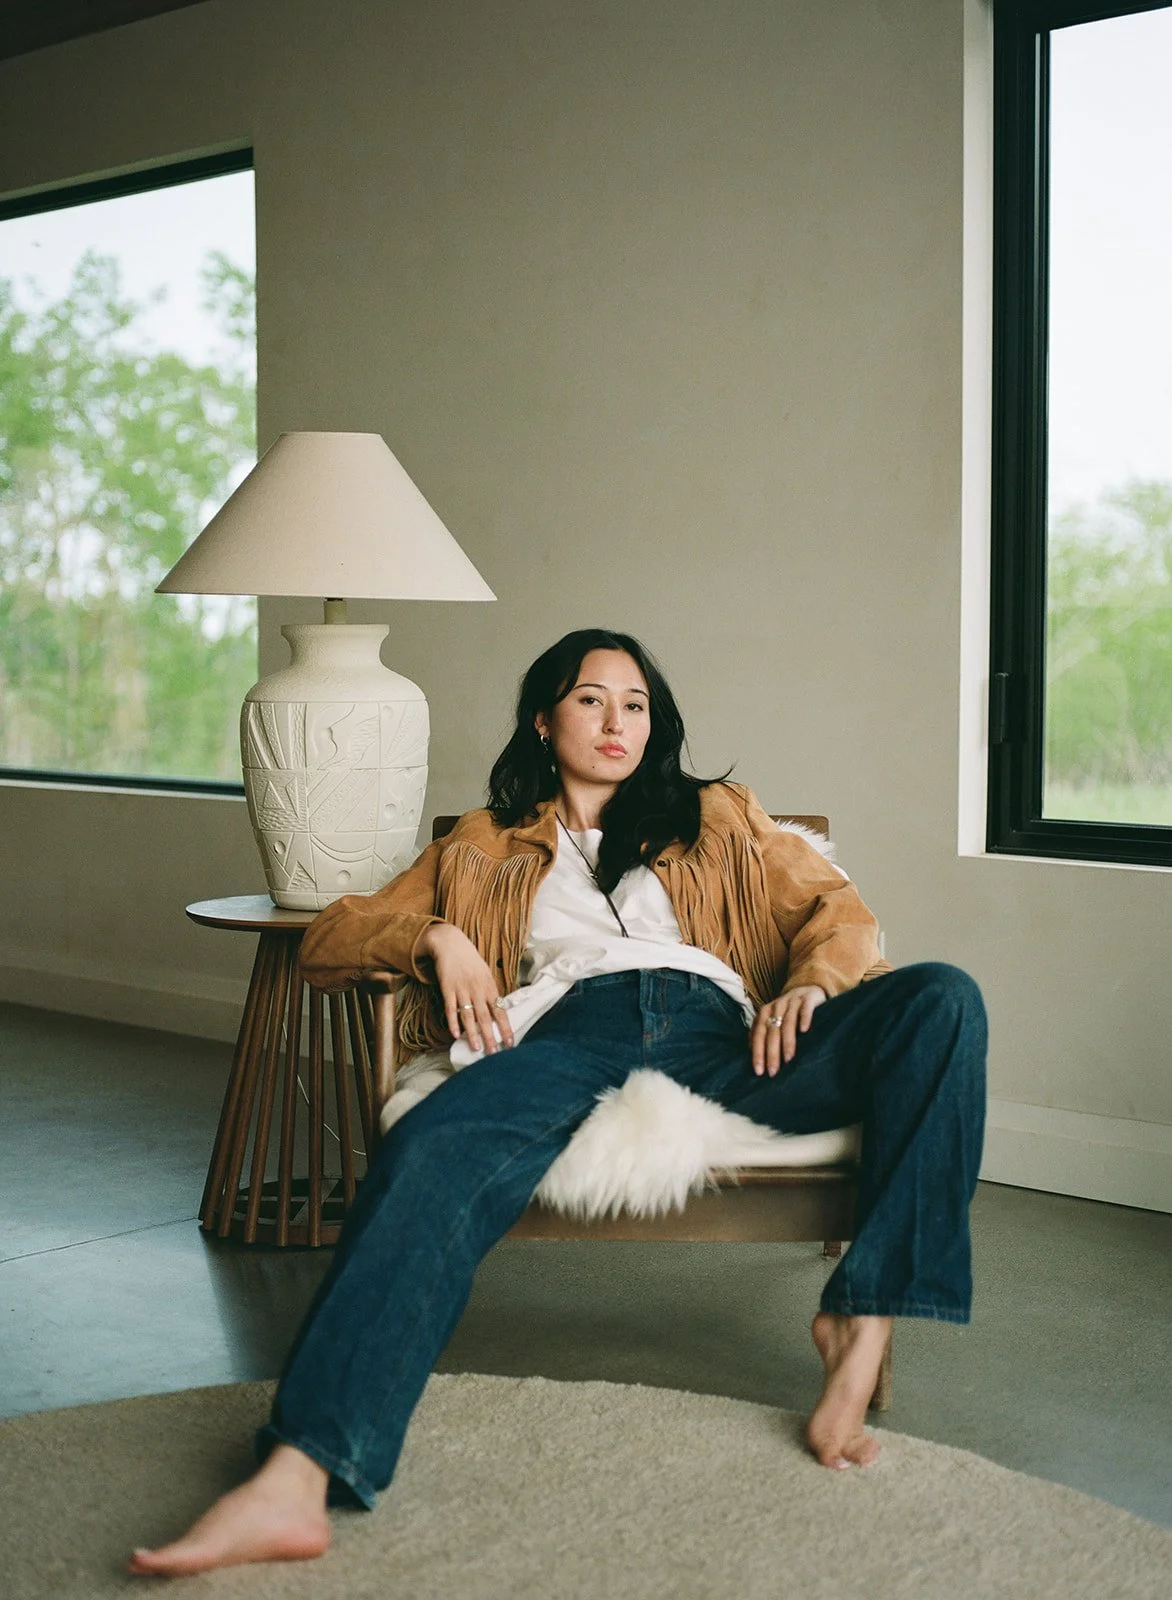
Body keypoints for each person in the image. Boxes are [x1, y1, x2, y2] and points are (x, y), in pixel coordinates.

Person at [129, 627, 987, 1577]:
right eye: (590, 699)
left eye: (635, 704)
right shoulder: (482, 842)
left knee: (944, 1000)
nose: (616, 721)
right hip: (573, 1031)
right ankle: (298, 1474)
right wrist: (436, 942)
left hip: (727, 1034)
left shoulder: (718, 816)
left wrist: (814, 985)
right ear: (544, 720)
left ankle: (862, 1316)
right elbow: (335, 935)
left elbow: (840, 911)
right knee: (432, 1148)